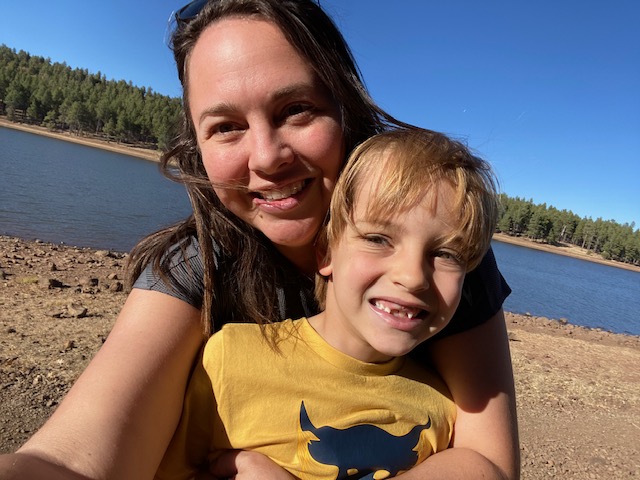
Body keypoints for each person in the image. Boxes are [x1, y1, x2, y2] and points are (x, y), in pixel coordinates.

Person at [0, 1, 519, 479]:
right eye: (226, 126)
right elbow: (74, 457)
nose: (268, 158)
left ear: (345, 109)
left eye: (296, 109)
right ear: (197, 146)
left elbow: (488, 460)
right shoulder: (198, 267)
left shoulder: (441, 247)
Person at [156, 127, 500, 480]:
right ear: (326, 252)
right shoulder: (229, 360)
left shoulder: (441, 411)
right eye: (378, 239)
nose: (413, 277)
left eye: (446, 254)